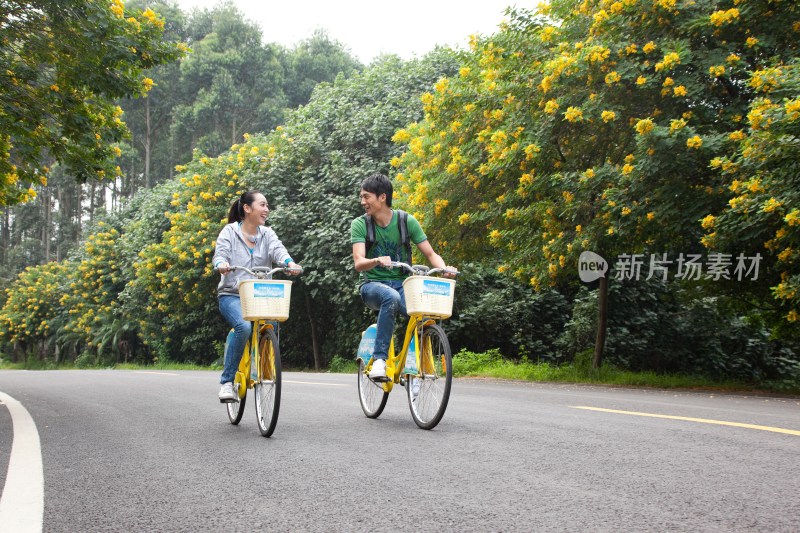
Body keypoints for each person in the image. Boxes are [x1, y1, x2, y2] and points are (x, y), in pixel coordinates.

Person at [351, 173, 456, 380]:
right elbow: (358, 262)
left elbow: (431, 254)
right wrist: (377, 260)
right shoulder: (360, 224)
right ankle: (380, 360)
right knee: (391, 297)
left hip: (402, 284)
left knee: (423, 313)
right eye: (361, 197)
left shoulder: (406, 221)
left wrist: (445, 269)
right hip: (372, 285)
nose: (362, 201)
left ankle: (414, 368)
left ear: (382, 197)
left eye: (366, 197)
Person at [213, 190, 300, 402]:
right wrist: (221, 265)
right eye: (262, 205)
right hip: (232, 295)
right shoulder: (229, 232)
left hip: (261, 295)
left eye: (267, 205)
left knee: (272, 322)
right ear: (247, 208)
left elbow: (279, 251)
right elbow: (220, 254)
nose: (266, 209)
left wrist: (289, 264)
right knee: (243, 327)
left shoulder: (267, 234)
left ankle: (263, 368)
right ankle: (227, 382)